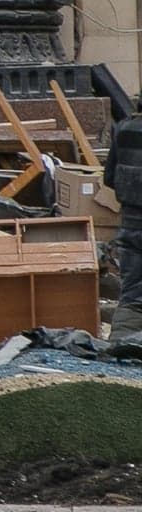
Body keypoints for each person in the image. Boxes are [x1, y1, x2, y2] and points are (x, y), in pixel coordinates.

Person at [108, 109, 142, 343]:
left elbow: (109, 177)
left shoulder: (124, 128)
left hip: (130, 225)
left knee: (131, 293)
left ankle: (121, 346)